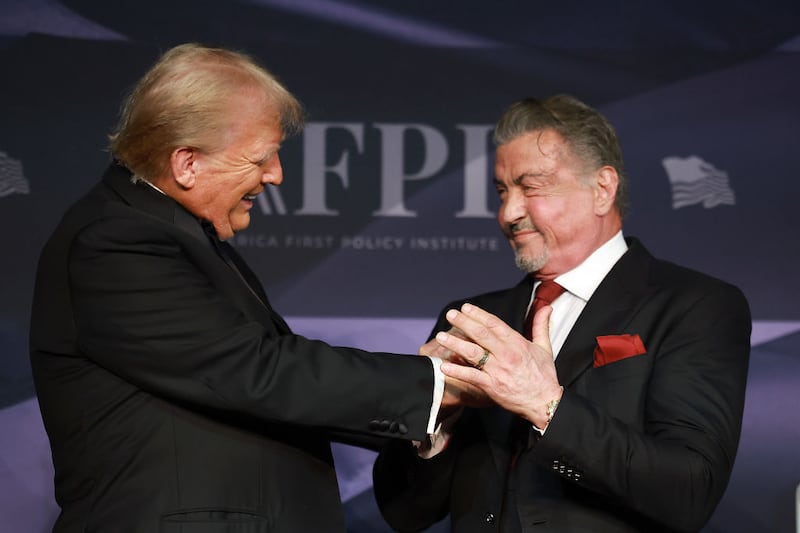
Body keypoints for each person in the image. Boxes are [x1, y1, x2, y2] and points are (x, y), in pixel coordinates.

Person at [29, 43, 464, 533]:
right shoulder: (115, 243)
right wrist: (433, 384)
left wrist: (428, 410)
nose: (276, 175)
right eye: (261, 158)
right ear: (186, 164)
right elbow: (254, 371)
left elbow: (260, 387)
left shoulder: (169, 233)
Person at [372, 95, 751, 532]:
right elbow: (404, 513)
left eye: (530, 187)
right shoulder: (470, 321)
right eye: (502, 191)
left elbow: (689, 492)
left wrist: (545, 405)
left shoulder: (695, 306)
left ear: (602, 189)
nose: (509, 212)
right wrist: (436, 420)